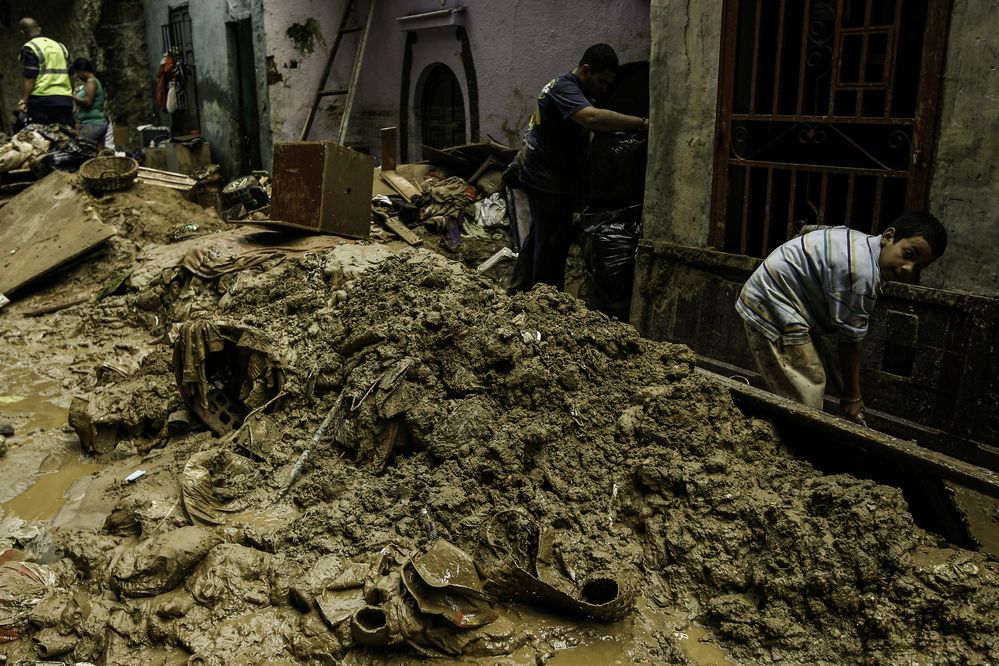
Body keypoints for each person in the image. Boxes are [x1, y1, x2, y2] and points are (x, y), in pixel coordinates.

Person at [735, 212, 948, 425]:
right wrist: (852, 397)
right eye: (908, 254)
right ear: (888, 236)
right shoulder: (861, 273)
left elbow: (812, 230)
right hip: (773, 303)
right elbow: (851, 342)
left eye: (918, 266)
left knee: (812, 372)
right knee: (807, 397)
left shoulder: (860, 240)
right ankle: (786, 438)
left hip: (785, 301)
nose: (908, 268)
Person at [508, 43, 649, 293]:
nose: (604, 89)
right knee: (553, 243)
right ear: (586, 69)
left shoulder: (570, 88)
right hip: (544, 177)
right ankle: (547, 301)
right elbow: (591, 118)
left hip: (545, 171)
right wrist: (642, 123)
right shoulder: (563, 87)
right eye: (602, 82)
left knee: (540, 235)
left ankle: (519, 290)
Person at [15, 17, 73, 130]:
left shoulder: (30, 47)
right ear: (39, 29)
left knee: (40, 134)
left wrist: (24, 101)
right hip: (64, 100)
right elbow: (71, 74)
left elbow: (30, 77)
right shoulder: (60, 46)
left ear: (22, 32)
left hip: (42, 100)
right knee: (66, 134)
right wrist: (71, 97)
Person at [71, 58, 108, 148]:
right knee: (98, 154)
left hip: (93, 124)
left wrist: (72, 96)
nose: (78, 76)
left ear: (82, 70)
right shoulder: (94, 82)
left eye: (77, 73)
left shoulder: (91, 81)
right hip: (97, 123)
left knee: (82, 150)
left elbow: (88, 101)